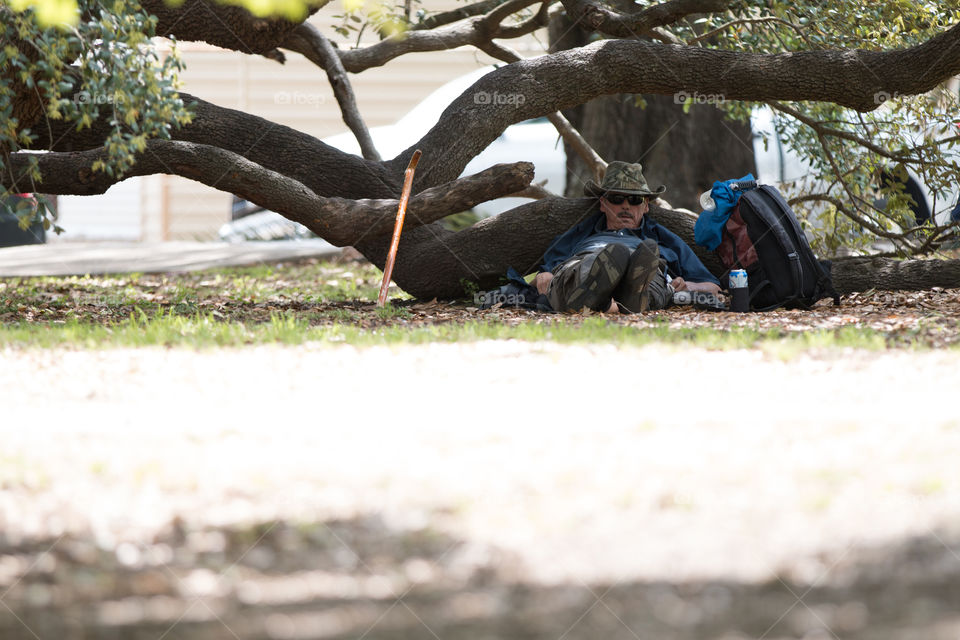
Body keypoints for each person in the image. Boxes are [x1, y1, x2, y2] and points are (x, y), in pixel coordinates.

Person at [535, 162, 721, 313]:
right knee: (579, 271)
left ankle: (629, 296)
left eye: (634, 200)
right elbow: (544, 275)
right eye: (617, 199)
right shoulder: (581, 232)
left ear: (646, 206)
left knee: (651, 271)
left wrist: (687, 285)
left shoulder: (662, 239)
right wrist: (544, 275)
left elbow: (713, 287)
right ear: (602, 203)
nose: (625, 206)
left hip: (646, 274)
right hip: (587, 263)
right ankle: (601, 296)